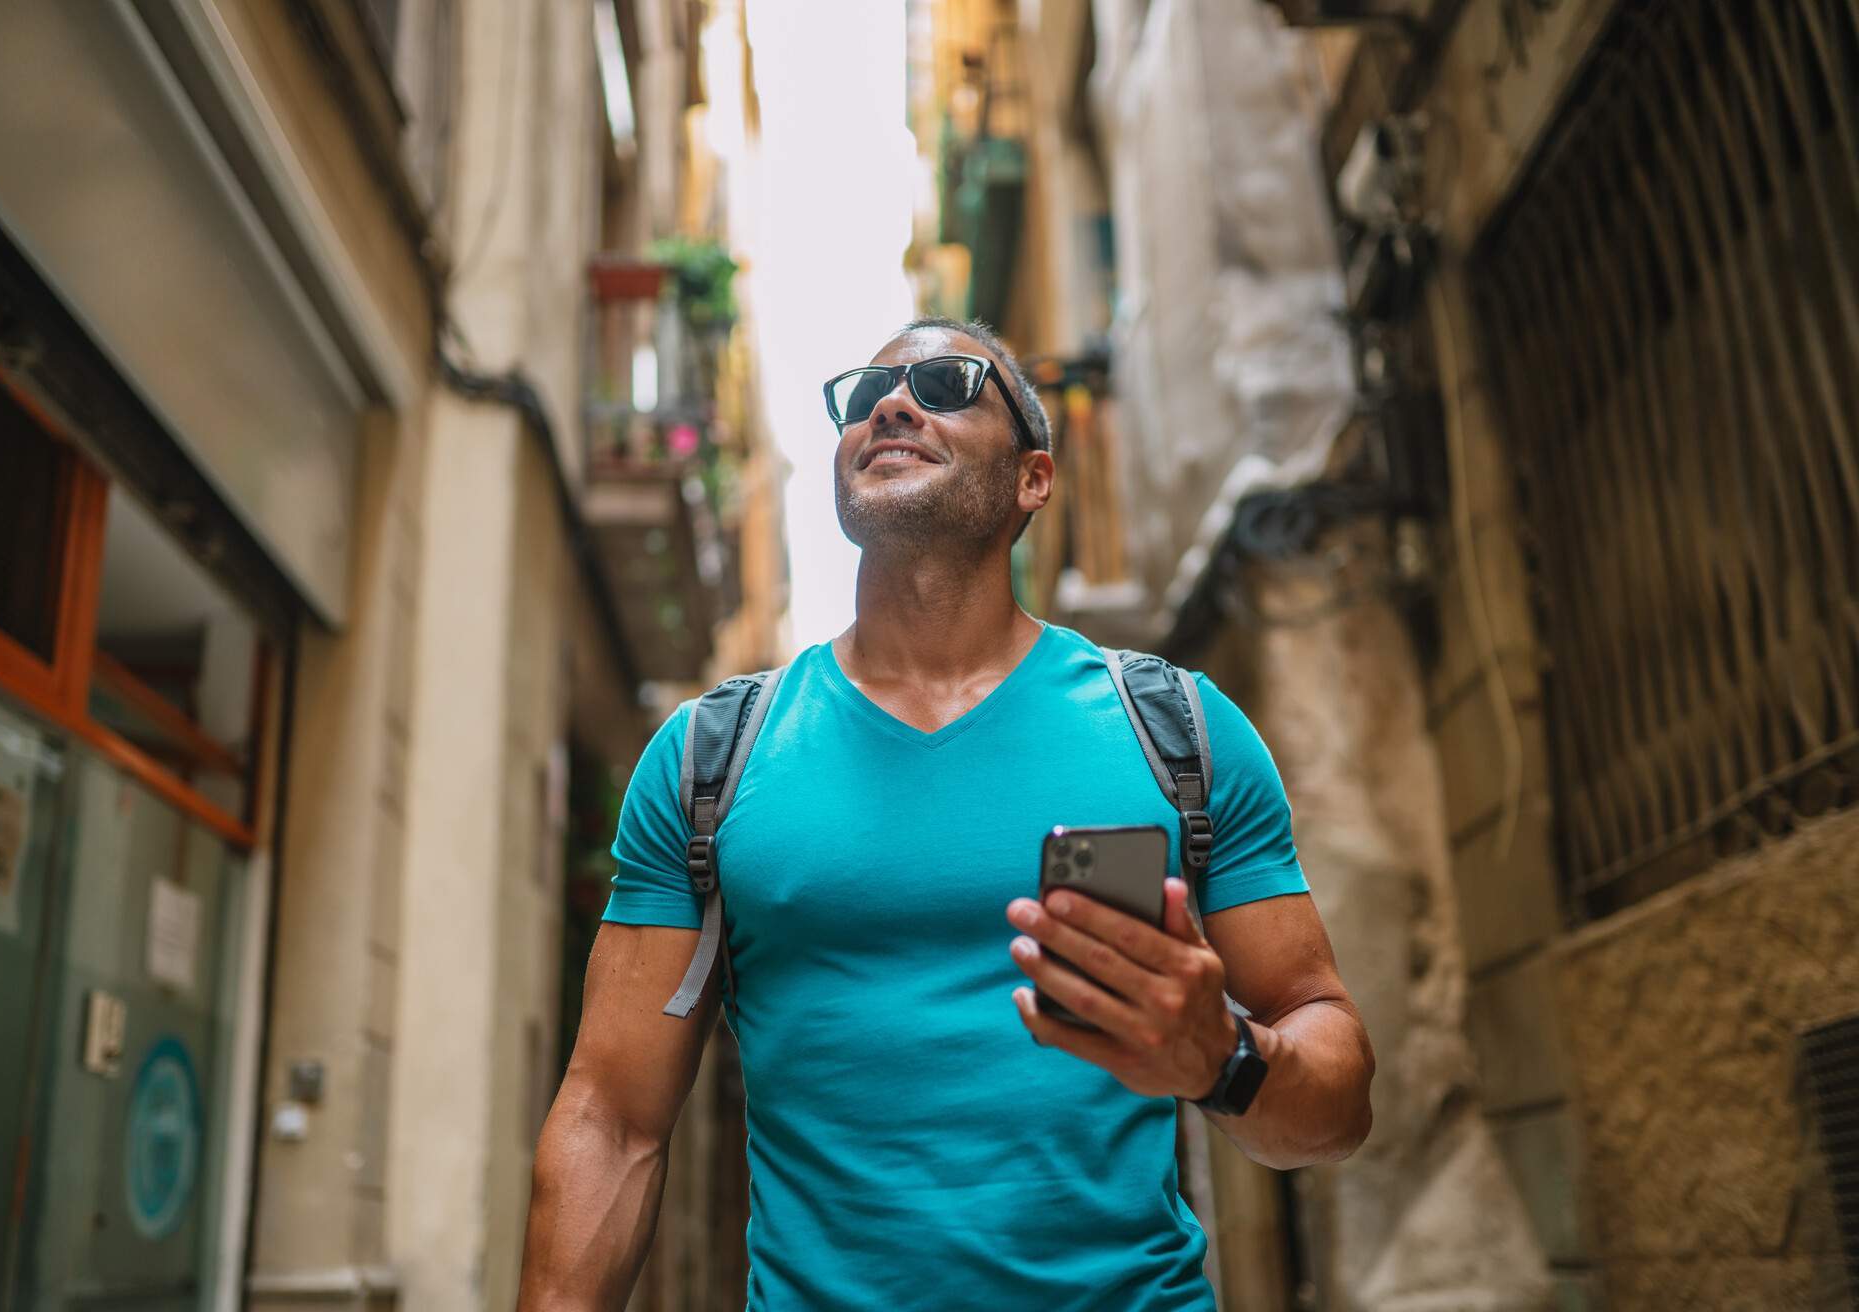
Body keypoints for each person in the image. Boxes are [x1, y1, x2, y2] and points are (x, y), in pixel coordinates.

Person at [517, 317, 1375, 1310]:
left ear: (1033, 479)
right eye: (865, 394)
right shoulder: (711, 758)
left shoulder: (1176, 731)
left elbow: (1338, 1098)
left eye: (946, 381)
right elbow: (612, 1124)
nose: (890, 403)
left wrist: (1224, 1057)